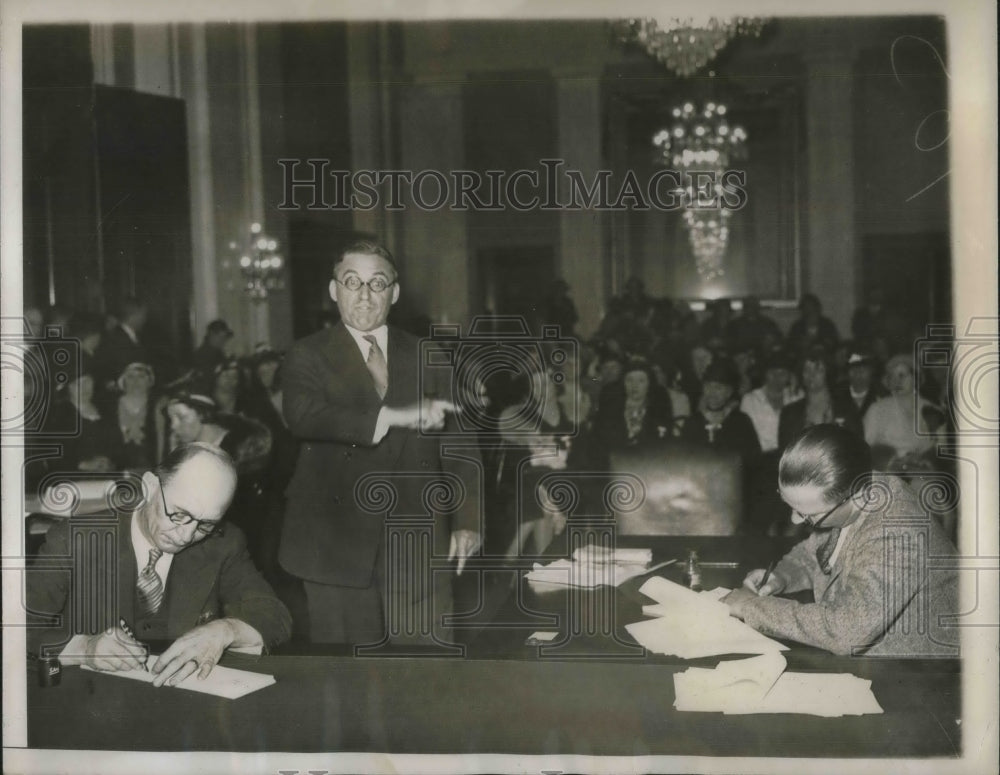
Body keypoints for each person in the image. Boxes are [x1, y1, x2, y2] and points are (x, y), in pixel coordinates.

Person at [278, 238, 481, 645]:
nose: (365, 295)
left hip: (417, 541)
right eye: (352, 282)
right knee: (348, 684)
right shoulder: (307, 355)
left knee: (426, 670)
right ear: (334, 290)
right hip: (333, 546)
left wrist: (469, 521)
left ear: (395, 292)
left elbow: (461, 445)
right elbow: (302, 415)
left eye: (377, 283)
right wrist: (389, 416)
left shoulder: (429, 355)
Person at [27, 443, 292, 684]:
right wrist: (83, 648)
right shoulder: (75, 539)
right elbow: (17, 627)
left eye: (206, 524)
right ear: (150, 487)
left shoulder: (224, 543)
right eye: (178, 515)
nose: (186, 535)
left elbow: (275, 615)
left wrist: (226, 630)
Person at [723, 425, 958, 657]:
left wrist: (751, 608)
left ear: (857, 496)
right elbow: (813, 553)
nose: (795, 521)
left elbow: (847, 630)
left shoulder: (898, 533)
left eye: (808, 515)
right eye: (790, 506)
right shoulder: (855, 485)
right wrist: (782, 576)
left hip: (925, 667)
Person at [863, 353, 945, 470]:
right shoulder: (877, 409)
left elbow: (941, 447)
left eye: (902, 375)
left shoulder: (933, 410)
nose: (897, 381)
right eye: (892, 377)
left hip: (923, 474)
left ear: (915, 379)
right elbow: (867, 448)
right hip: (887, 473)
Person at [778, 349, 863, 451]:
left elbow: (857, 447)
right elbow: (784, 453)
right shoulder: (789, 413)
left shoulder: (846, 408)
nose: (811, 375)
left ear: (828, 373)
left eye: (818, 370)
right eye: (807, 369)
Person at [680, 357, 761, 463]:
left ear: (729, 392)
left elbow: (753, 459)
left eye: (718, 388)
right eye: (708, 386)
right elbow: (683, 459)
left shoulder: (741, 422)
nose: (712, 393)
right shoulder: (692, 422)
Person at [95, 297, 149, 394]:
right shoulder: (117, 338)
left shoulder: (130, 336)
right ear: (134, 316)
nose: (145, 319)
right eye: (143, 315)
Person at [192, 319, 234, 383]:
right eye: (221, 338)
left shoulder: (218, 353)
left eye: (225, 338)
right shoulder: (202, 355)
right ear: (212, 334)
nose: (223, 342)